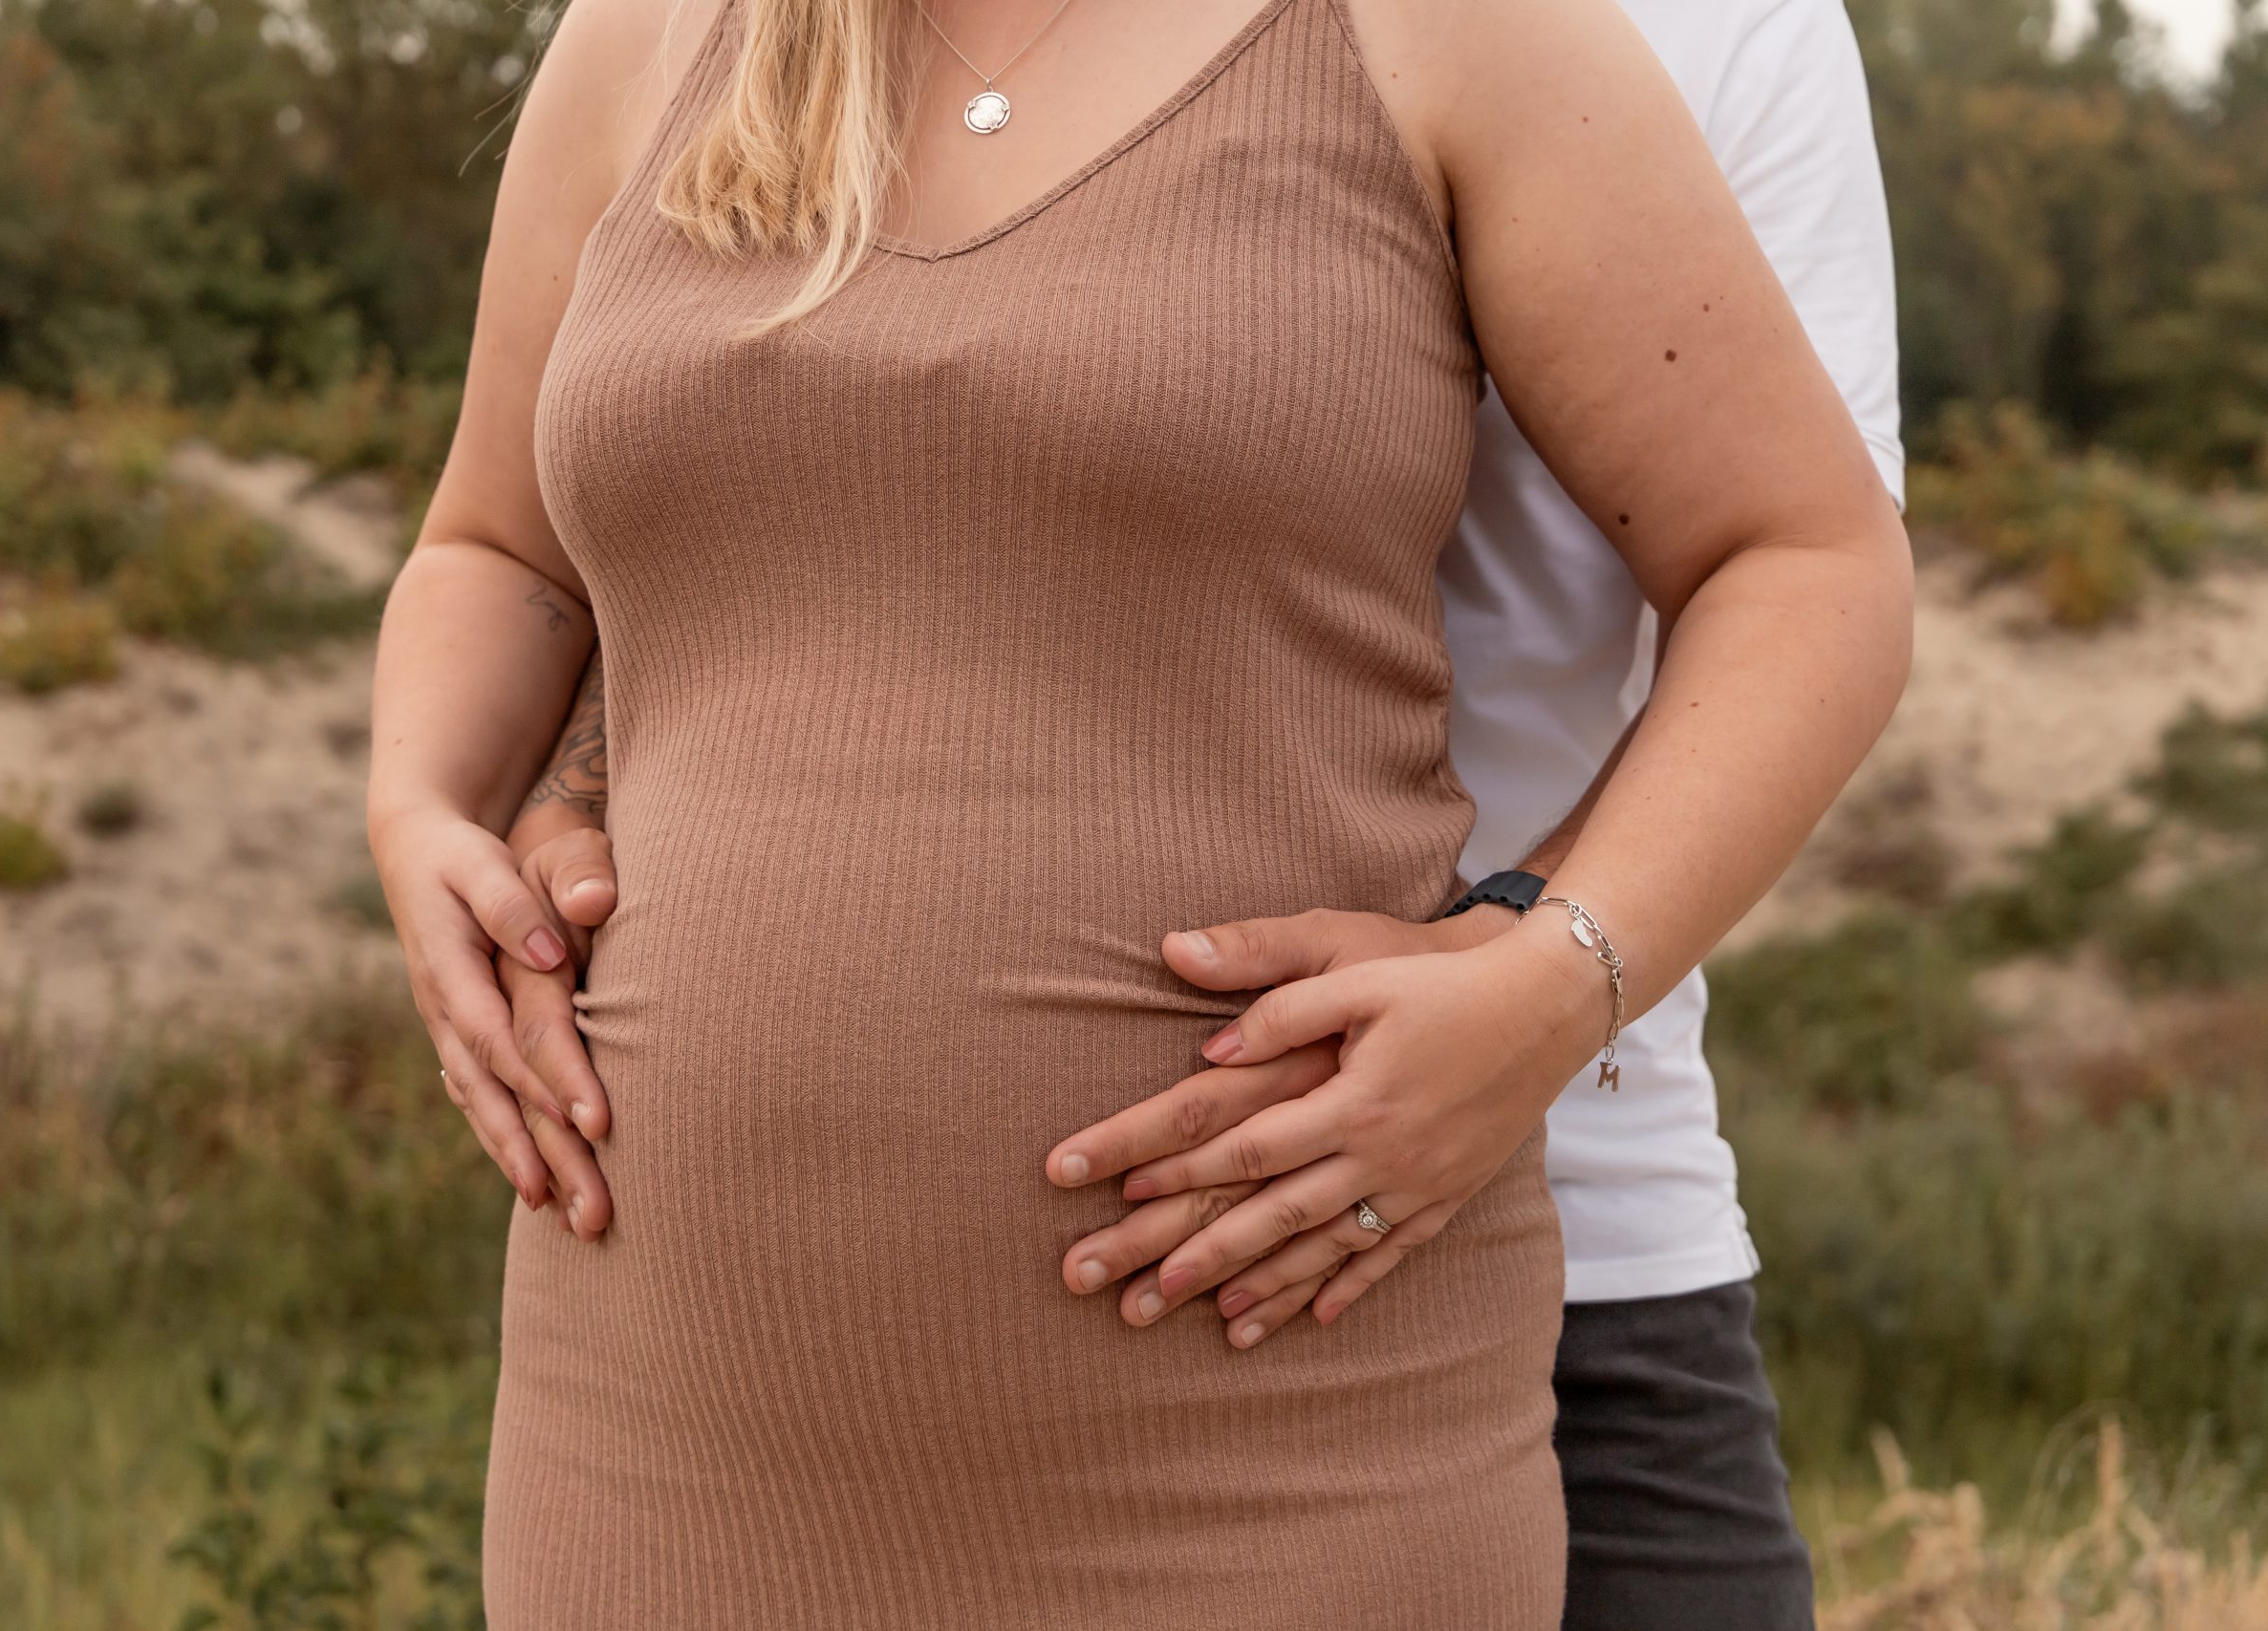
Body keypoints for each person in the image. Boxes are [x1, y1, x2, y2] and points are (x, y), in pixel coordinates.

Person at [365, 0, 1913, 1621]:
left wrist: (1555, 969)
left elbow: (1806, 561)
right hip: (653, 1441)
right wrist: (424, 813)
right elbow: (499, 552)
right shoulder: (653, 33)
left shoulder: (1464, 35)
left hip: (1275, 1436)